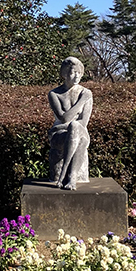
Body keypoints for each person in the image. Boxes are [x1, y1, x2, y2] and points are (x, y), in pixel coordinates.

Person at [48, 57, 93, 190]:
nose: (76, 76)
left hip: (80, 133)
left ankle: (68, 176)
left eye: (79, 73)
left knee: (76, 128)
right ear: (64, 74)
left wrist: (72, 125)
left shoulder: (86, 93)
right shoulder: (54, 94)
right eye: (73, 72)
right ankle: (68, 177)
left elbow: (83, 122)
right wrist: (81, 101)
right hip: (59, 134)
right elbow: (64, 118)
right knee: (74, 128)